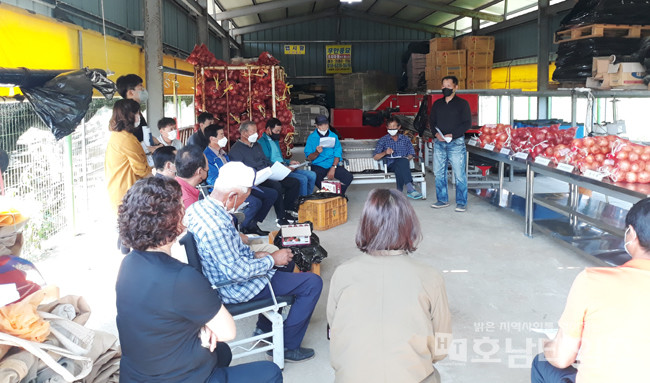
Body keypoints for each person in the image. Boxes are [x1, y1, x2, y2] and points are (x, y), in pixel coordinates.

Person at [115, 176, 282, 382]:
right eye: (180, 205)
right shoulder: (181, 277)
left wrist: (202, 328)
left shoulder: (128, 264)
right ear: (171, 219)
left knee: (222, 352)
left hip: (137, 374)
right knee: (270, 372)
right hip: (179, 377)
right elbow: (228, 331)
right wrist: (205, 328)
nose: (184, 209)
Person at [185, 162, 323, 363]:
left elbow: (230, 256)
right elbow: (237, 273)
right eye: (245, 196)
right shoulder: (217, 227)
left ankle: (265, 326)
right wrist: (270, 259)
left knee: (287, 263)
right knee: (312, 283)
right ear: (232, 196)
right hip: (232, 287)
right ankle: (288, 347)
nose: (246, 201)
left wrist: (260, 256)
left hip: (222, 273)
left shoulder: (199, 207)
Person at [327, 188, 452, 383]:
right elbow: (442, 345)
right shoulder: (430, 277)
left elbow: (334, 329)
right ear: (410, 226)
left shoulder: (343, 273)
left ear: (365, 225)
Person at [530, 198, 650, 383]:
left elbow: (562, 358)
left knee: (542, 363)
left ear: (632, 234)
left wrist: (549, 346)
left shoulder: (593, 281)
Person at [203, 124, 276, 236]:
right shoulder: (207, 157)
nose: (224, 137)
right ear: (212, 138)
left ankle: (252, 223)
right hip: (226, 190)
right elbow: (213, 180)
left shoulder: (223, 153)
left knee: (271, 194)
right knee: (255, 202)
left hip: (238, 184)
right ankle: (240, 228)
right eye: (221, 135)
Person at [229, 121, 300, 226]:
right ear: (244, 133)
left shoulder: (256, 145)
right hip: (254, 179)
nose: (256, 134)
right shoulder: (236, 150)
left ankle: (287, 211)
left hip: (268, 173)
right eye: (253, 132)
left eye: (256, 131)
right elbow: (240, 171)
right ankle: (280, 217)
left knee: (294, 182)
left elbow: (265, 160)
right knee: (276, 187)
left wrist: (279, 168)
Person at [429, 75, 471, 212]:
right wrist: (436, 134)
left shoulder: (462, 104)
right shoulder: (437, 104)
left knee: (459, 174)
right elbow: (432, 122)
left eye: (448, 86)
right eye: (443, 86)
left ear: (455, 87)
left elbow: (467, 123)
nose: (445, 88)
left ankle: (461, 202)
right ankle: (442, 200)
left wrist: (453, 135)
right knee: (439, 173)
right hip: (439, 143)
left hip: (456, 143)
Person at [104, 98, 152, 214]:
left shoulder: (118, 135)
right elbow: (141, 170)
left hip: (120, 193)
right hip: (127, 196)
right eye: (137, 113)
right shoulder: (127, 139)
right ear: (129, 116)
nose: (139, 116)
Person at [260, 118, 316, 197]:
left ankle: (308, 199)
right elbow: (267, 162)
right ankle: (301, 203)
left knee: (312, 175)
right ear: (269, 129)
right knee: (303, 179)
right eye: (276, 131)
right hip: (277, 170)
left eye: (279, 131)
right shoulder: (261, 142)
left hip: (284, 166)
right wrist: (284, 167)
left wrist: (289, 162)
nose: (278, 133)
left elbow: (279, 158)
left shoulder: (275, 140)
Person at [373, 116, 422, 199]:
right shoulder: (383, 140)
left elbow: (411, 153)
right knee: (402, 162)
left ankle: (399, 192)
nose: (392, 128)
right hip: (390, 165)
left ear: (399, 127)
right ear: (387, 127)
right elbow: (375, 157)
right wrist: (385, 152)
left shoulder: (405, 139)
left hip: (402, 165)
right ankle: (410, 188)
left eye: (394, 126)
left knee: (401, 164)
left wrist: (408, 158)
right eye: (390, 126)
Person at [115, 74, 160, 165]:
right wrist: (151, 148)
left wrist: (159, 144)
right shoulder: (125, 115)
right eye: (141, 87)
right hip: (133, 163)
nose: (144, 90)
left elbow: (145, 134)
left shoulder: (137, 111)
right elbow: (129, 144)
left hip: (143, 158)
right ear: (131, 93)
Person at [304, 115, 353, 195]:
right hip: (318, 165)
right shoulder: (311, 138)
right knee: (314, 178)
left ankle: (336, 194)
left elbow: (338, 153)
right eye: (321, 125)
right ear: (316, 126)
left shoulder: (333, 136)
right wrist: (316, 152)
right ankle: (333, 195)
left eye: (326, 124)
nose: (324, 127)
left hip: (332, 163)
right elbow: (309, 157)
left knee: (348, 177)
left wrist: (333, 167)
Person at [174, 144, 208, 209]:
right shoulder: (188, 203)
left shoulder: (171, 184)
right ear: (200, 171)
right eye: (207, 169)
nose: (208, 168)